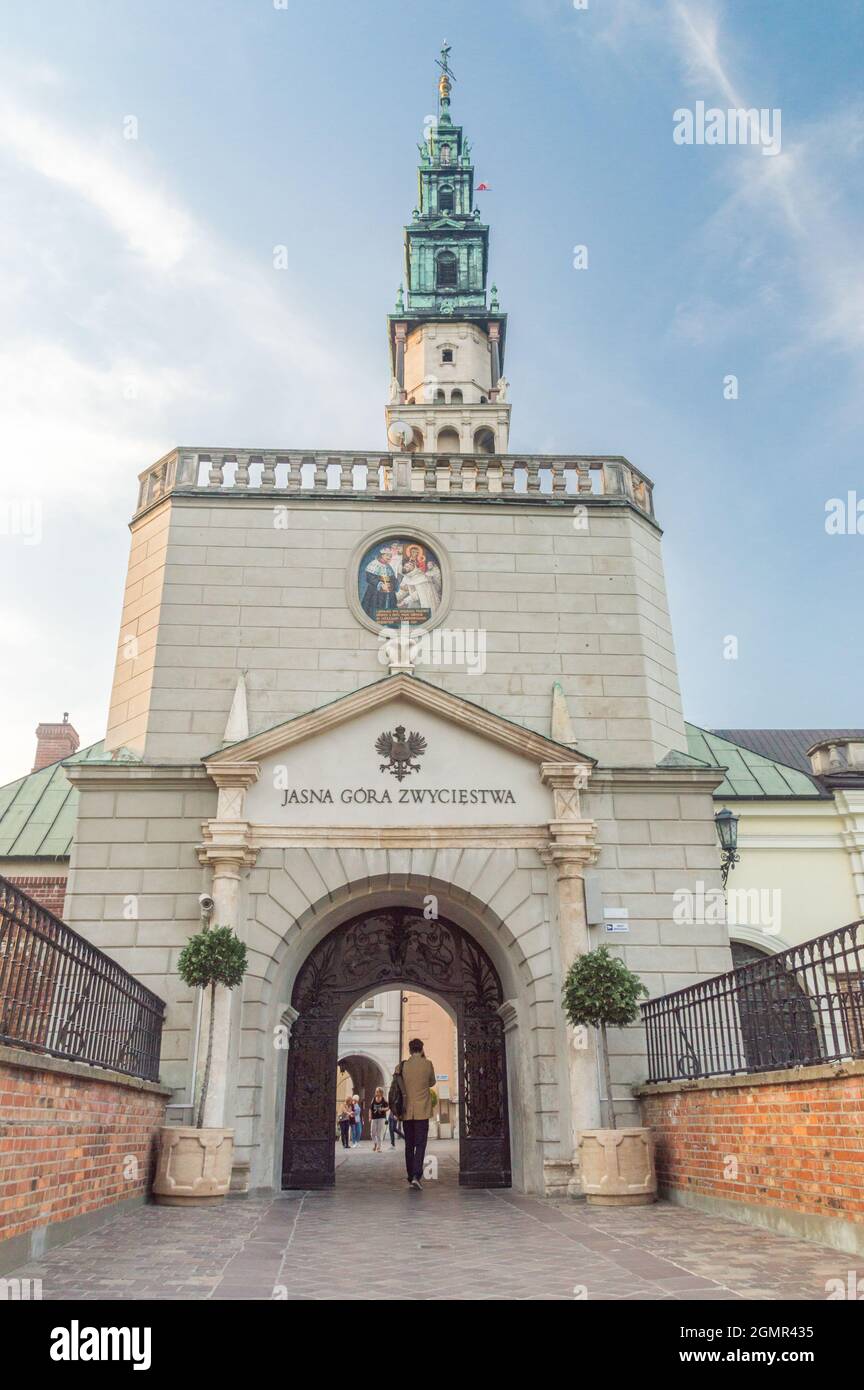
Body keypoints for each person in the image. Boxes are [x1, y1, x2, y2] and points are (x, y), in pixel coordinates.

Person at [393, 1038, 436, 1189]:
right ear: (422, 1049)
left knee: (409, 1144)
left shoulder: (403, 1065)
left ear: (410, 1050)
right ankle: (417, 1175)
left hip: (406, 1111)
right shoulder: (427, 1064)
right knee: (421, 1143)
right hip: (422, 1111)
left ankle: (410, 1174)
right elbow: (432, 1082)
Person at [369, 1087, 389, 1152]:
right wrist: (370, 1116)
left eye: (377, 1091)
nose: (376, 1093)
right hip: (374, 1118)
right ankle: (375, 1143)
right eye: (376, 1091)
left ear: (381, 1093)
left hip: (381, 1118)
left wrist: (383, 1109)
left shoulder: (383, 1100)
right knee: (372, 1133)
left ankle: (379, 1147)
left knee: (379, 1133)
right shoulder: (373, 1099)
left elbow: (388, 1107)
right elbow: (370, 1109)